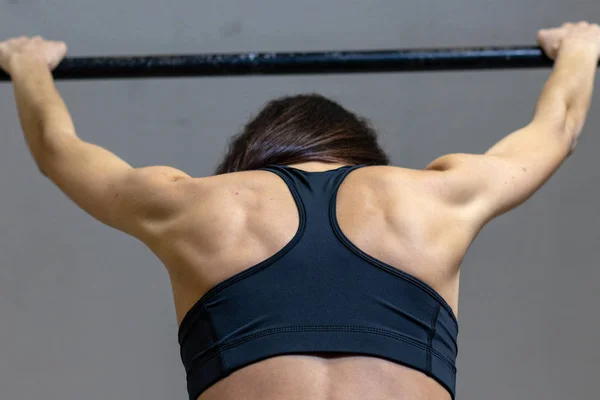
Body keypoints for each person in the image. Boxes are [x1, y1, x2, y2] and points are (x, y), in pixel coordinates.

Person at [0, 21, 597, 400]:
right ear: (366, 161)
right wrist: (578, 49)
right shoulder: (432, 198)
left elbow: (58, 152)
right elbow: (558, 128)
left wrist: (30, 66)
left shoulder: (194, 207)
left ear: (249, 159)